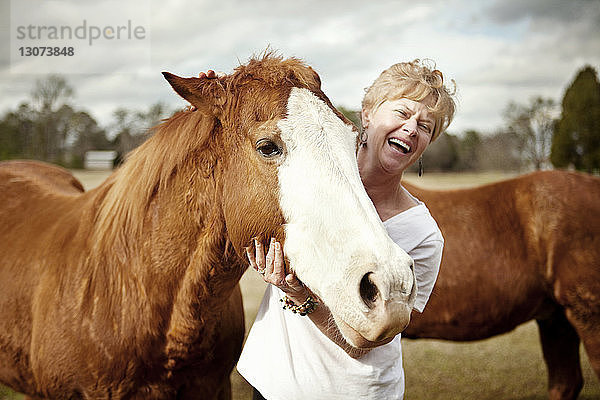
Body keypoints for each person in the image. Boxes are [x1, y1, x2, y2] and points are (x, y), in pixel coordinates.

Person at [203, 59, 455, 399]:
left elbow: (369, 339)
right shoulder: (309, 169)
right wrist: (220, 101)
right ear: (367, 114)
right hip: (271, 380)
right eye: (401, 113)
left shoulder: (423, 234)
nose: (411, 128)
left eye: (426, 126)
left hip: (349, 392)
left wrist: (299, 296)